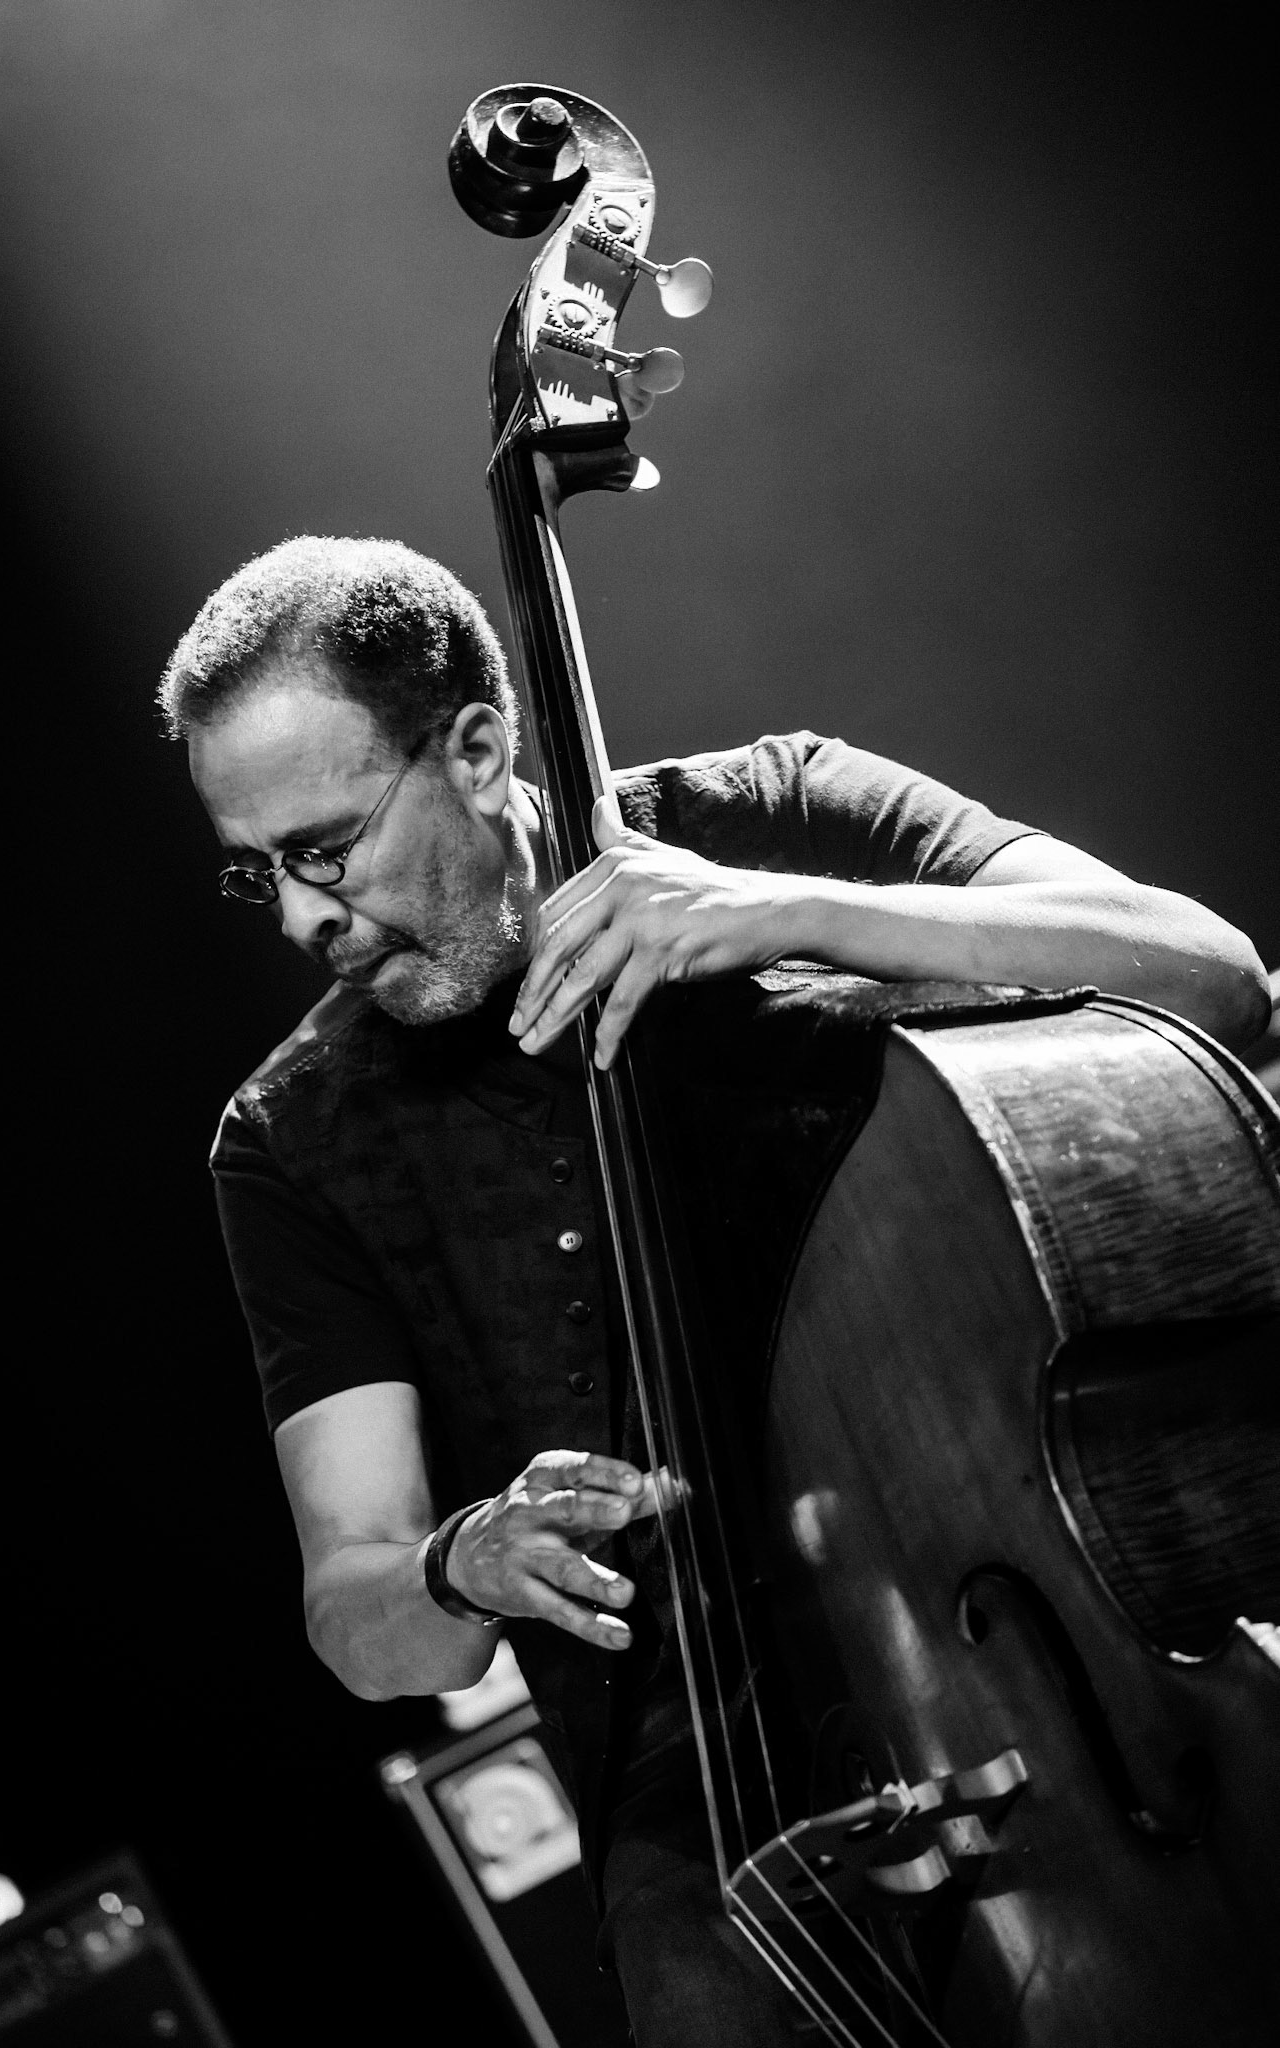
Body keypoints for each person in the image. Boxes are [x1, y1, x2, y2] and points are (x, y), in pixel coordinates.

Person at [160, 535, 1268, 2046]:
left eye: (325, 848)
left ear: (477, 749)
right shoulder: (293, 1141)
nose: (301, 918)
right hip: (702, 1786)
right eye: (256, 869)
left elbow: (1207, 974)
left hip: (1053, 1644)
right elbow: (358, 1608)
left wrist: (787, 911)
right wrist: (462, 1565)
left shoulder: (783, 811)